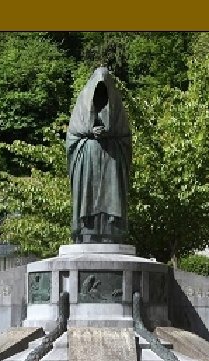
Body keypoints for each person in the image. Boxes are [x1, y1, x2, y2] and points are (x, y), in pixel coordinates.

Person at [66, 67, 132, 243]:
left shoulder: (117, 109)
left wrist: (109, 133)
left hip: (111, 159)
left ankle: (111, 233)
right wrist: (90, 132)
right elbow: (72, 135)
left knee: (111, 194)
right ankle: (87, 232)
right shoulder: (81, 109)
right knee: (88, 195)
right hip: (88, 159)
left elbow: (126, 137)